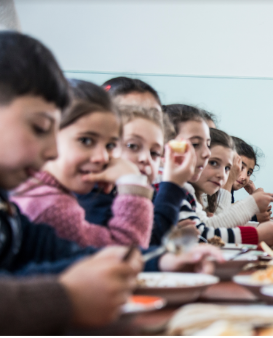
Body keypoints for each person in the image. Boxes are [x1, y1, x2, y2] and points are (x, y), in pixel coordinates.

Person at [0, 31, 223, 334]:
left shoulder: (11, 210)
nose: (51, 150)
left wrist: (160, 261)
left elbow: (69, 255)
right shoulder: (45, 200)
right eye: (40, 128)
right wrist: (65, 296)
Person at [11, 79, 155, 248]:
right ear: (47, 138)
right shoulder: (51, 208)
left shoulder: (38, 190)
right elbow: (123, 255)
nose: (102, 157)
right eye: (86, 141)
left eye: (110, 145)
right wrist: (133, 186)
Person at [164, 104, 273, 245]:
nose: (206, 152)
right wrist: (253, 221)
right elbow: (207, 233)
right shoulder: (172, 189)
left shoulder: (188, 191)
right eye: (197, 143)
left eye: (227, 167)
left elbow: (207, 228)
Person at [76, 105, 197, 246]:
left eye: (154, 153)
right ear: (109, 148)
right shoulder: (93, 193)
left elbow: (151, 240)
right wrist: (172, 185)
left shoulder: (148, 194)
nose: (145, 158)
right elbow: (135, 249)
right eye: (132, 146)